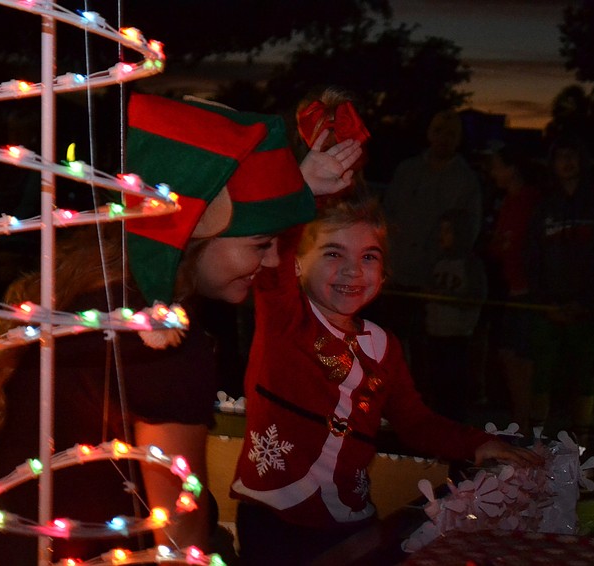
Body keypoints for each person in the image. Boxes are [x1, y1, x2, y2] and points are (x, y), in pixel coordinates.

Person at [0, 93, 362, 564]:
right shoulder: (161, 342)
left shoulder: (116, 285)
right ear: (196, 233)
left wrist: (294, 186)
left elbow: (213, 203)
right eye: (263, 244)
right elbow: (182, 542)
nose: (272, 261)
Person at [230, 193, 543, 565]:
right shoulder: (284, 319)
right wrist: (317, 187)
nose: (353, 270)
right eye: (333, 253)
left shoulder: (383, 345)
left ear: (385, 273)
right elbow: (280, 234)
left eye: (369, 257)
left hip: (353, 522)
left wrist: (478, 445)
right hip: (276, 523)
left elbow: (415, 422)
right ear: (295, 264)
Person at [380, 109, 482, 370]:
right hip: (398, 274)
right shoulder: (408, 171)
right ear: (428, 133)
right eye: (438, 131)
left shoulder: (466, 180)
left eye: (451, 133)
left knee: (429, 357)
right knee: (391, 348)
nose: (443, 138)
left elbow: (469, 231)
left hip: (435, 282)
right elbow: (387, 216)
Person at [525, 135, 594, 446]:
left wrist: (589, 300)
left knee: (585, 377)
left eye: (573, 155)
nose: (568, 162)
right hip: (549, 308)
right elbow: (532, 257)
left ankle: (580, 445)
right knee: (541, 375)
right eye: (561, 157)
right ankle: (535, 442)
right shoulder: (544, 208)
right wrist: (544, 302)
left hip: (586, 309)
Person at [486, 143, 542, 434]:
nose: (493, 172)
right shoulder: (506, 201)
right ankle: (521, 421)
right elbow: (498, 244)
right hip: (511, 288)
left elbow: (529, 244)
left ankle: (527, 423)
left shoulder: (531, 201)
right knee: (510, 356)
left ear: (512, 169)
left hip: (528, 291)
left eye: (497, 165)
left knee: (524, 358)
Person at [422, 209, 488, 422]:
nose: (443, 236)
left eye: (448, 231)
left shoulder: (470, 264)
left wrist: (447, 297)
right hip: (435, 333)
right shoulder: (439, 262)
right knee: (436, 385)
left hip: (458, 336)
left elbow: (476, 297)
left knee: (454, 389)